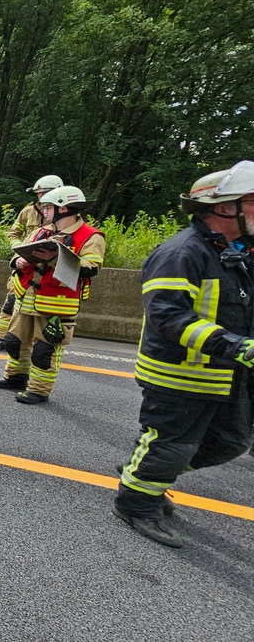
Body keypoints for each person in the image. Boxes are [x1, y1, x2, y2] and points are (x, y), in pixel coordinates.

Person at [113, 161, 254, 548]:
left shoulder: (238, 253)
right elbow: (168, 314)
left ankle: (143, 473)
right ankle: (136, 503)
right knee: (172, 443)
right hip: (179, 373)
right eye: (253, 201)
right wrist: (233, 345)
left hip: (227, 373)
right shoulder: (181, 253)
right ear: (224, 208)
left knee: (230, 442)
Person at [0, 186, 105, 403]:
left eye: (49, 207)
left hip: (57, 305)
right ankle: (15, 378)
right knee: (14, 341)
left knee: (45, 350)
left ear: (65, 208)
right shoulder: (41, 231)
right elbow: (17, 254)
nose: (45, 211)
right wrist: (18, 261)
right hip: (26, 297)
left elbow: (91, 269)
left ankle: (39, 390)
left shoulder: (91, 237)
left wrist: (54, 258)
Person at [0, 175, 62, 351]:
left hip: (48, 271)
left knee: (44, 309)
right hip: (24, 268)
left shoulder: (63, 216)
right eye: (38, 194)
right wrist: (20, 249)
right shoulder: (28, 212)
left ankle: (38, 342)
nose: (41, 197)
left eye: (44, 193)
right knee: (11, 303)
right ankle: (2, 338)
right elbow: (14, 233)